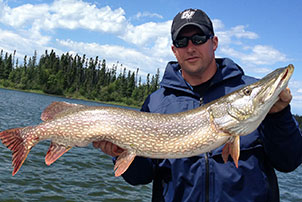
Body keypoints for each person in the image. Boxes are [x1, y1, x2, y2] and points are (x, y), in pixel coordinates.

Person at [93, 8, 302, 202]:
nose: (190, 48)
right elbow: (141, 176)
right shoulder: (156, 102)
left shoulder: (246, 90)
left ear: (214, 43)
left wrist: (279, 115)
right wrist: (117, 152)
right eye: (182, 42)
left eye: (198, 38)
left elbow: (289, 162)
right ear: (175, 50)